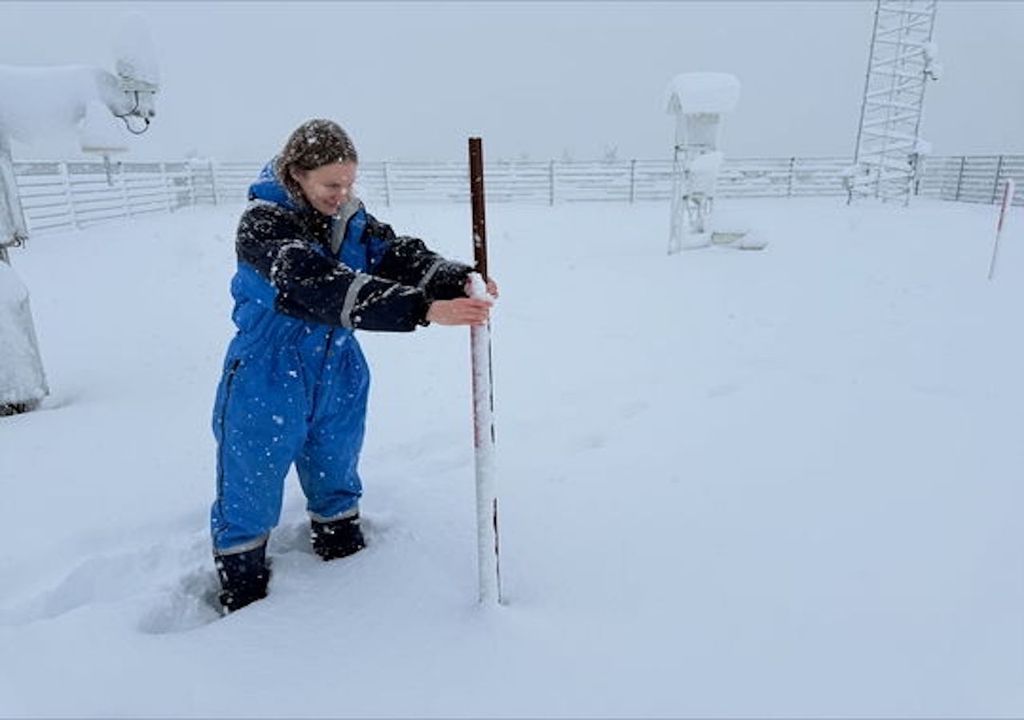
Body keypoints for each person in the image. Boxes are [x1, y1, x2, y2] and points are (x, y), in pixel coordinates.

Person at [210, 119, 496, 613]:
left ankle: (342, 552)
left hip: (337, 365)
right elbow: (316, 285)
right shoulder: (263, 225)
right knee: (252, 477)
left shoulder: (351, 219)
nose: (341, 194)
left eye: (348, 183)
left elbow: (398, 256)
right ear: (297, 174)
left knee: (335, 463)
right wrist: (422, 309)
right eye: (331, 184)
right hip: (267, 372)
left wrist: (455, 278)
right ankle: (243, 585)